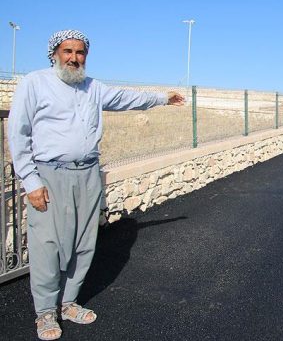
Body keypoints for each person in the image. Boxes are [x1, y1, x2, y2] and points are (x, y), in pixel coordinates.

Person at [8, 29, 184, 340]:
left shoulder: (93, 88)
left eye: (80, 52)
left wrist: (163, 97)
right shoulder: (34, 83)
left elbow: (128, 98)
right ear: (55, 54)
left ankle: (68, 302)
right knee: (48, 244)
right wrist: (31, 181)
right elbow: (18, 135)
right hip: (50, 174)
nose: (74, 58)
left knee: (84, 242)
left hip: (88, 174)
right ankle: (45, 312)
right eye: (68, 51)